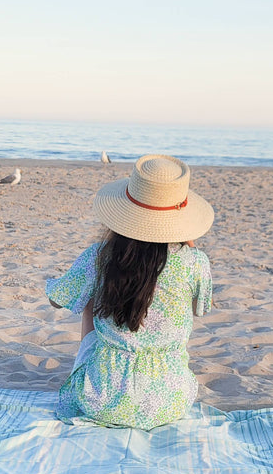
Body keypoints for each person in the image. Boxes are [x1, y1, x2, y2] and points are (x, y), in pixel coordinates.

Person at [46, 154, 214, 429]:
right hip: (168, 403)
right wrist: (189, 244)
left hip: (100, 399)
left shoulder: (100, 257)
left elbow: (56, 300)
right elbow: (201, 307)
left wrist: (90, 285)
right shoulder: (195, 263)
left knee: (92, 293)